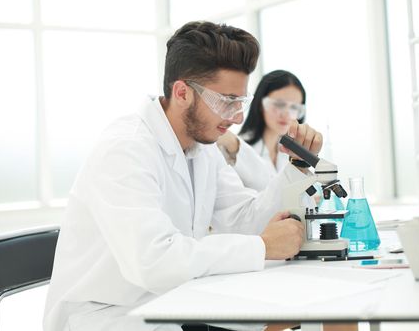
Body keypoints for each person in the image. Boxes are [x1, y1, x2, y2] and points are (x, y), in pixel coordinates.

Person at [43, 21, 322, 331]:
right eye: (227, 101)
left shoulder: (203, 148)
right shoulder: (125, 150)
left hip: (173, 302)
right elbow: (154, 261)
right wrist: (262, 247)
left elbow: (245, 220)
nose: (238, 117)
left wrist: (297, 166)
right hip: (108, 316)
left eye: (240, 101)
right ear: (182, 92)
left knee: (299, 311)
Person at [216, 70, 308, 192]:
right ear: (260, 104)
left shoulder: (290, 152)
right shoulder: (234, 148)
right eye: (279, 104)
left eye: (294, 107)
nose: (286, 115)